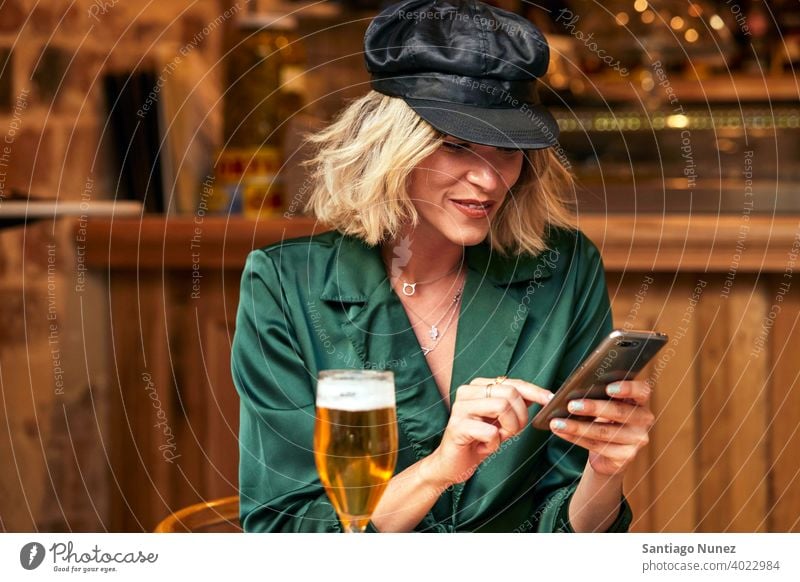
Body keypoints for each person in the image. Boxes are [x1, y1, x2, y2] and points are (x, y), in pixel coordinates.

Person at [232, 0, 654, 533]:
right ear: (389, 147)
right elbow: (283, 534)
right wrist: (438, 471)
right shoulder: (286, 287)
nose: (488, 180)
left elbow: (565, 535)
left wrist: (603, 469)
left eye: (506, 149)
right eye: (456, 146)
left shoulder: (562, 268)